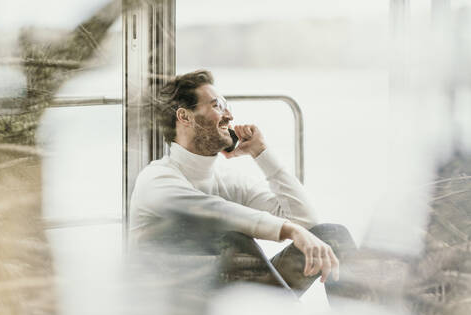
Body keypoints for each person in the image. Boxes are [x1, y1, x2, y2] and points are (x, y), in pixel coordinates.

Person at [129, 70, 359, 300]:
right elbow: (215, 213)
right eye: (217, 105)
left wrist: (262, 154)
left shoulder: (228, 180)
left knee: (330, 234)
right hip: (175, 312)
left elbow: (306, 221)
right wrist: (291, 230)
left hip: (230, 306)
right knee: (231, 239)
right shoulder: (156, 180)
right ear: (185, 117)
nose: (229, 115)